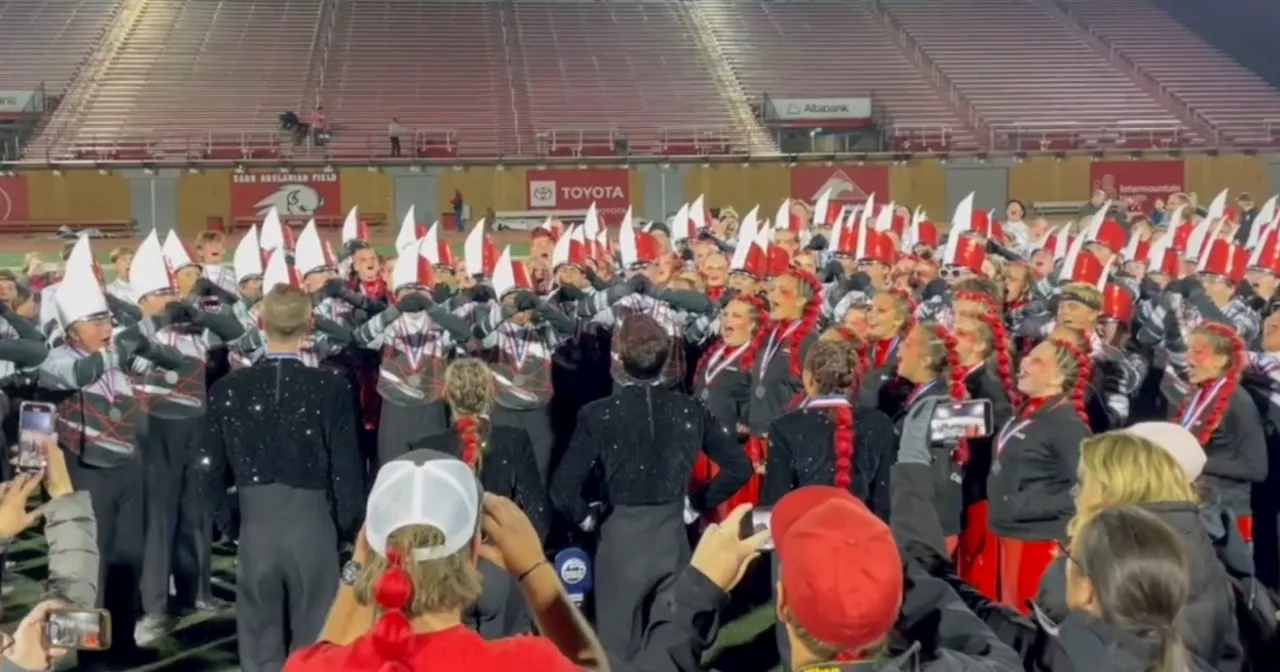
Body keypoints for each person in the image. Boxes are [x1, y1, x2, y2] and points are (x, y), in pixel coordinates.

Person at [283, 452, 607, 671]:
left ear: (371, 548)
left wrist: (358, 565)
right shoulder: (525, 663)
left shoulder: (313, 667)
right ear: (473, 551)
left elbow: (325, 654)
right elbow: (589, 665)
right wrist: (534, 568)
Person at [550, 314, 751, 658]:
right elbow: (739, 466)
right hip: (672, 539)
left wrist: (587, 518)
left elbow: (563, 489)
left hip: (619, 543)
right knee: (673, 644)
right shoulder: (689, 409)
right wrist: (696, 503)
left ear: (619, 360)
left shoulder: (599, 414)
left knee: (617, 651)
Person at [202, 284, 366, 672]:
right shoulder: (331, 387)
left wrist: (233, 525)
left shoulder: (228, 389)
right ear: (311, 325)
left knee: (259, 647)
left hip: (257, 528)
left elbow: (208, 470)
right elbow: (347, 469)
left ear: (259, 323)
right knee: (316, 645)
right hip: (314, 528)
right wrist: (347, 528)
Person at [1034, 428, 1243, 671]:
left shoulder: (1119, 557)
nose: (1076, 496)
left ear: (1110, 489)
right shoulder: (1196, 539)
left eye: (1083, 484)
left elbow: (1063, 648)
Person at [408, 358, 549, 637]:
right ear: (491, 392)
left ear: (446, 394)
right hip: (501, 570)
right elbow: (537, 513)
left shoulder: (426, 447)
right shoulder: (515, 440)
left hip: (449, 575)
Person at [987, 337, 1092, 612]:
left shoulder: (1067, 425)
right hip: (1008, 535)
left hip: (1038, 541)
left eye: (1037, 361)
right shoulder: (1027, 410)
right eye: (1027, 356)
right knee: (1012, 619)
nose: (1024, 363)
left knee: (1031, 623)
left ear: (1058, 377)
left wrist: (1026, 505)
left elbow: (1088, 487)